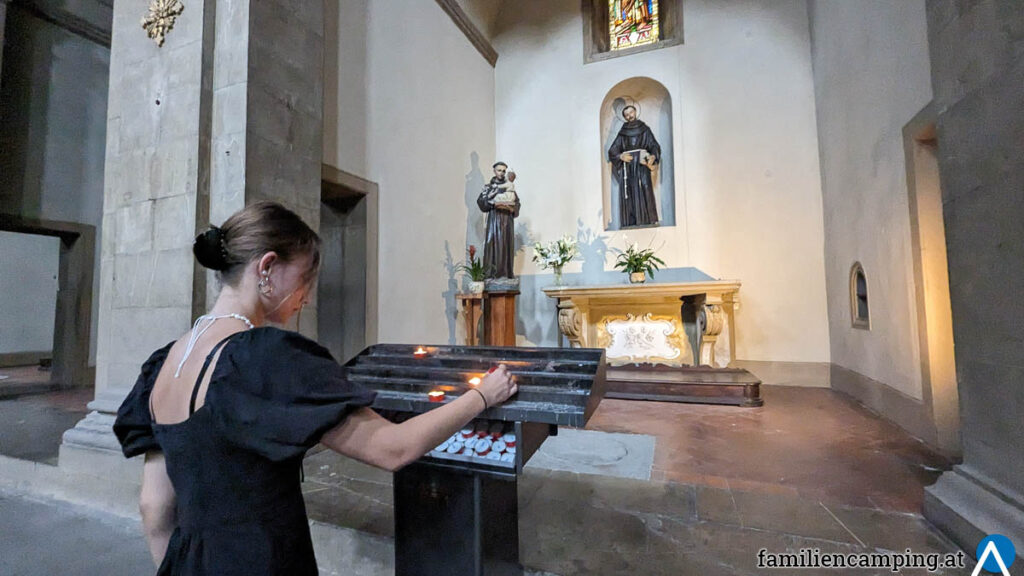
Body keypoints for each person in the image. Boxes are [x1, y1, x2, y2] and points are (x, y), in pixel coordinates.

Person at [113, 201, 517, 575]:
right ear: (268, 267)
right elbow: (393, 449)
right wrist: (482, 396)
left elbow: (154, 508)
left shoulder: (163, 363)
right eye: (305, 278)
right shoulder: (264, 355)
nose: (305, 297)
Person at [607, 104, 661, 227]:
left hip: (642, 166)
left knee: (645, 189)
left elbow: (654, 145)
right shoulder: (623, 133)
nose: (629, 116)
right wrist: (620, 156)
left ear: (635, 112)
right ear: (624, 117)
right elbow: (612, 150)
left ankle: (648, 221)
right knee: (630, 193)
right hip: (629, 168)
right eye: (626, 115)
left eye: (631, 113)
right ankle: (632, 223)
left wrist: (653, 156)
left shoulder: (645, 130)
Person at [477, 162, 520, 279]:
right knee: (493, 245)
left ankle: (505, 274)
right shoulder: (489, 187)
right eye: (499, 170)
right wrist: (493, 204)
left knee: (506, 246)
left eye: (503, 171)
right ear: (494, 171)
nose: (501, 173)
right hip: (494, 220)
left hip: (507, 221)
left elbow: (516, 204)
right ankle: (492, 275)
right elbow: (481, 203)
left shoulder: (510, 187)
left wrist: (511, 208)